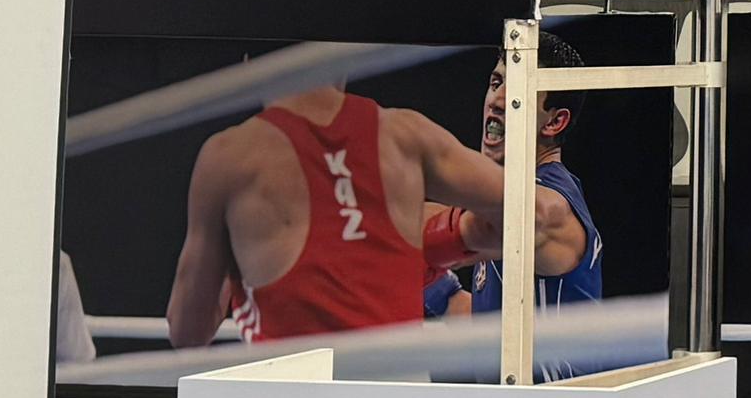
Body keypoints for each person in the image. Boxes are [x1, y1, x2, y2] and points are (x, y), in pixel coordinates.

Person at [164, 75, 534, 347]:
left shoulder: (231, 157)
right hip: (395, 397)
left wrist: (233, 260)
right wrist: (445, 242)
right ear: (342, 65)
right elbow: (534, 212)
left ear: (251, 64)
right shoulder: (405, 134)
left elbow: (187, 332)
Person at [427, 29, 598, 317]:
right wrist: (439, 292)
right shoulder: (505, 201)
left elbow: (480, 223)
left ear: (554, 122)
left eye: (516, 89)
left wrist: (375, 224)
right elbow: (492, 324)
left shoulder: (551, 207)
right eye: (496, 83)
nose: (497, 100)